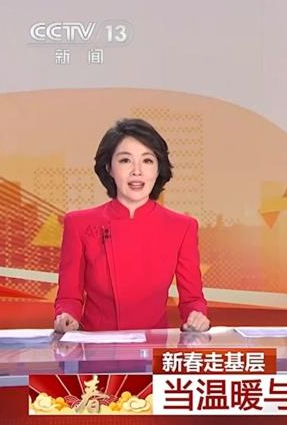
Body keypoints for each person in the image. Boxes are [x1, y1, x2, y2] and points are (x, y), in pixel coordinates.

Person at [53, 118, 210, 332]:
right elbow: (69, 297)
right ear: (109, 167)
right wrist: (66, 317)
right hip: (96, 345)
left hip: (153, 345)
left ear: (158, 169)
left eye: (147, 161)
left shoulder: (182, 227)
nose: (137, 171)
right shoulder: (78, 224)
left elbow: (192, 300)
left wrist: (197, 316)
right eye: (126, 160)